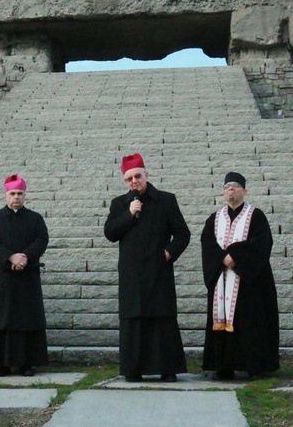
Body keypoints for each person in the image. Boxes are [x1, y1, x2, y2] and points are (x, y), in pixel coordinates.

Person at [104, 153, 191, 382]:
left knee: (161, 319)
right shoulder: (119, 204)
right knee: (134, 320)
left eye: (137, 176)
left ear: (146, 175)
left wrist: (169, 252)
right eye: (129, 179)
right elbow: (110, 233)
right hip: (132, 274)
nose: (134, 182)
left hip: (158, 271)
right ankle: (133, 370)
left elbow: (182, 233)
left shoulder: (166, 200)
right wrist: (129, 214)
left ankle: (168, 369)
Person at [200, 172, 280, 381]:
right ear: (223, 191)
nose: (231, 189)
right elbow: (208, 244)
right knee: (222, 321)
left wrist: (234, 255)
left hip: (248, 282)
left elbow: (261, 244)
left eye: (235, 186)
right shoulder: (214, 218)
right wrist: (221, 258)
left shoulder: (256, 216)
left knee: (250, 321)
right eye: (227, 186)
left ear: (245, 191)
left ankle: (254, 366)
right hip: (221, 279)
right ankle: (222, 367)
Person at [0, 174, 50, 377]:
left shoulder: (35, 218)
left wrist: (26, 257)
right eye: (12, 193)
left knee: (26, 319)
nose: (16, 197)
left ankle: (26, 364)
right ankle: (1, 364)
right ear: (6, 195)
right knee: (1, 318)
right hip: (2, 277)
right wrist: (10, 257)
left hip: (27, 277)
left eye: (20, 193)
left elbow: (42, 239)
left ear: (25, 195)